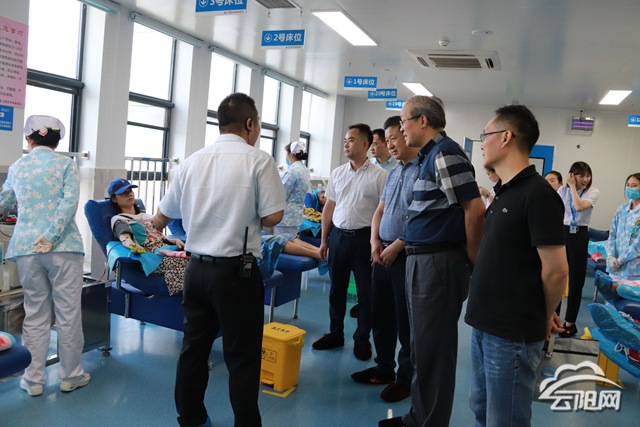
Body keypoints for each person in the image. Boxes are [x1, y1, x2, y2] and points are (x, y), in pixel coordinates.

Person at [152, 93, 285, 427]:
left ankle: (191, 418)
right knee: (242, 355)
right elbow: (273, 216)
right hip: (236, 273)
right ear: (250, 123)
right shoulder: (259, 160)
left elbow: (161, 217)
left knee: (194, 348)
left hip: (195, 269)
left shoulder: (192, 161)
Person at [380, 96, 485, 427]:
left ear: (422, 121)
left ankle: (429, 423)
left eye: (404, 121)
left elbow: (474, 209)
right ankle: (417, 417)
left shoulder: (445, 153)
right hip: (422, 259)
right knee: (421, 348)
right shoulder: (430, 156)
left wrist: (473, 258)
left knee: (434, 352)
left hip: (437, 262)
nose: (401, 129)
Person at [464, 105, 568, 427]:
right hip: (485, 324)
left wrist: (542, 314)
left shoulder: (538, 195)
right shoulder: (505, 192)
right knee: (482, 410)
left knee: (505, 419)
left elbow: (557, 270)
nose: (482, 142)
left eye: (485, 135)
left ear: (506, 137)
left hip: (511, 334)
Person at [0, 115, 90, 397]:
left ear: (29, 139)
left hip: (27, 248)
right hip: (64, 248)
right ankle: (71, 375)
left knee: (35, 312)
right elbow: (69, 203)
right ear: (57, 142)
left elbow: (4, 203)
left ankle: (33, 380)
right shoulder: (66, 165)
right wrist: (51, 235)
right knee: (68, 313)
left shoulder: (17, 167)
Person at [351, 115, 418, 403]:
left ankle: (405, 379)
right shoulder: (393, 173)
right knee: (382, 316)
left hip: (405, 257)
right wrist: (374, 241)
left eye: (394, 138)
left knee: (405, 321)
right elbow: (379, 210)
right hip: (380, 253)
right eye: (386, 139)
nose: (390, 144)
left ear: (408, 134)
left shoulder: (423, 171)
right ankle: (384, 368)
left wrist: (396, 247)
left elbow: (421, 218)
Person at [312, 123, 387, 362]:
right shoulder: (337, 173)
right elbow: (329, 207)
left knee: (366, 293)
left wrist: (377, 242)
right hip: (339, 238)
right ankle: (335, 333)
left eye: (351, 140)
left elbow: (383, 211)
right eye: (345, 140)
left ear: (365, 144)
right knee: (336, 290)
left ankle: (362, 338)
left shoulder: (379, 176)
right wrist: (324, 239)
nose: (346, 144)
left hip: (364, 239)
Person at [108, 178, 188, 295]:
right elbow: (124, 237)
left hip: (169, 251)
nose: (129, 194)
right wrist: (132, 246)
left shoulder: (147, 216)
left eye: (130, 191)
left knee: (200, 261)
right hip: (154, 258)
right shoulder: (119, 219)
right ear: (114, 199)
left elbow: (158, 236)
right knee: (191, 268)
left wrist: (174, 240)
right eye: (123, 193)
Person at [557, 161, 600, 337]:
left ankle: (570, 322)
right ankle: (554, 319)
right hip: (563, 232)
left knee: (576, 280)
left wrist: (573, 187)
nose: (585, 179)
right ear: (572, 175)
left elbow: (579, 207)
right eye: (581, 175)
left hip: (580, 234)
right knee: (558, 276)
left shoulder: (593, 191)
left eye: (587, 175)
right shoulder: (562, 191)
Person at [605, 173, 640, 280]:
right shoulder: (622, 209)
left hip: (634, 270)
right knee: (611, 290)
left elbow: (638, 245)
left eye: (634, 185)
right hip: (615, 268)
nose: (629, 188)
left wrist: (620, 260)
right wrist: (611, 256)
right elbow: (612, 233)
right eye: (628, 185)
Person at [275, 141, 311, 235]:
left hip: (286, 218)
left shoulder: (293, 171)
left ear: (291, 154)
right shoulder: (304, 170)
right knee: (292, 242)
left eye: (286, 154)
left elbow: (282, 194)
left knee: (283, 243)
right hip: (295, 217)